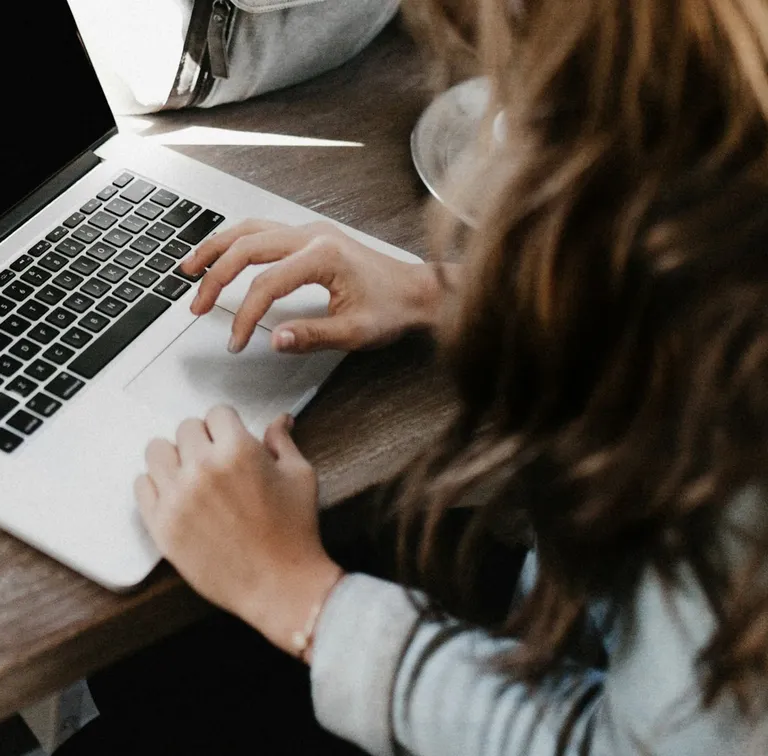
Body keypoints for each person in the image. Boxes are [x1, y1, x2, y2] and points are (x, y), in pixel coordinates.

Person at [60, 0, 768, 753]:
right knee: (158, 660)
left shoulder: (733, 397)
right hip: (588, 627)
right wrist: (439, 293)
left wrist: (301, 597)